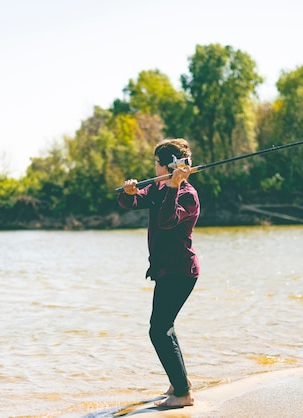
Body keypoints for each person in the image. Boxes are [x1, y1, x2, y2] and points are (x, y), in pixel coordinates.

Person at [117, 138, 200, 408]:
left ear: (168, 166)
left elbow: (166, 221)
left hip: (181, 272)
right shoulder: (158, 188)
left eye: (156, 163)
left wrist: (173, 186)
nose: (154, 167)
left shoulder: (187, 195)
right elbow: (129, 204)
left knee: (158, 330)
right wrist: (128, 192)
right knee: (165, 328)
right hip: (166, 271)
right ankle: (180, 384)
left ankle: (183, 393)